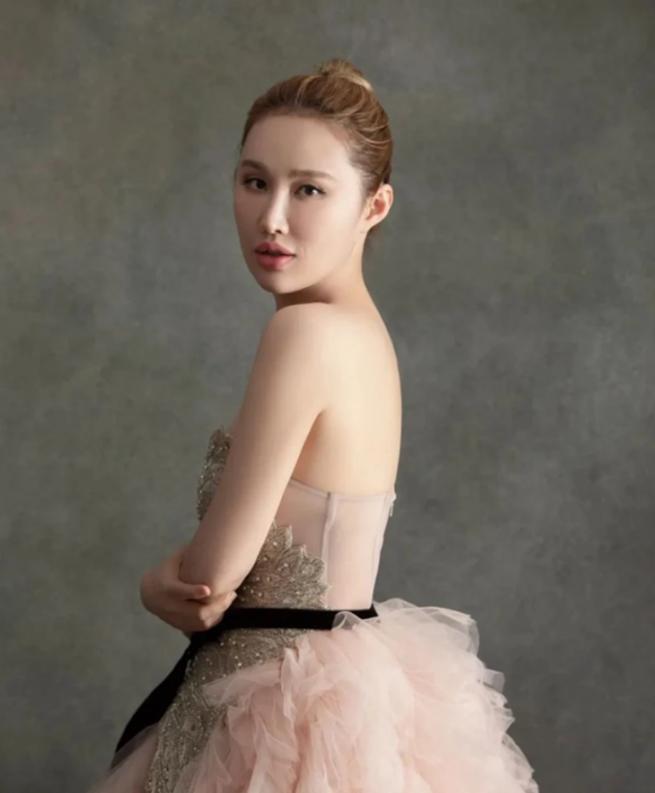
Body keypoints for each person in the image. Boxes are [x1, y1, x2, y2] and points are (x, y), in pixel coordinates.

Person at [85, 58, 539, 792]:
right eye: (254, 181)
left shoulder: (304, 334)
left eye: (309, 190)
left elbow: (210, 579)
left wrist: (152, 583)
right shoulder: (364, 335)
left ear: (374, 206)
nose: (272, 217)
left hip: (276, 711)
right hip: (332, 688)